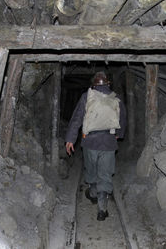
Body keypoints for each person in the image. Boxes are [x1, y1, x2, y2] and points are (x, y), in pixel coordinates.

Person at [65, 71, 126, 221]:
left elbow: (77, 119)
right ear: (108, 83)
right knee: (105, 174)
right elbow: (122, 118)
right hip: (108, 142)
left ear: (93, 84)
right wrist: (118, 134)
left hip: (90, 142)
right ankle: (102, 209)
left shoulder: (87, 97)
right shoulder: (116, 98)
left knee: (91, 169)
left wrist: (70, 139)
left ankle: (92, 193)